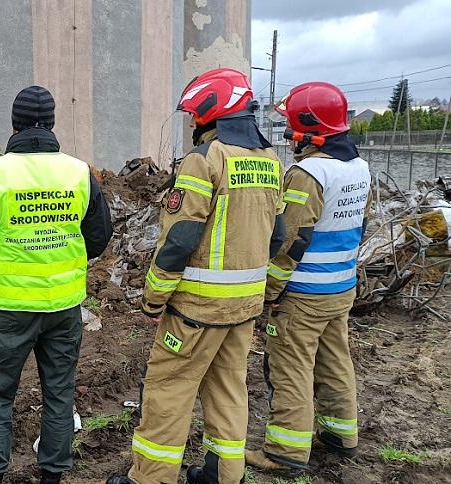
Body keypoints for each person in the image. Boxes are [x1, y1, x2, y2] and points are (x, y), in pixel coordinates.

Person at [108, 68, 285, 484]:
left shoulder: (205, 160)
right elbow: (277, 236)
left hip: (196, 310)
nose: (191, 123)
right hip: (244, 307)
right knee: (228, 391)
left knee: (168, 392)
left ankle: (150, 478)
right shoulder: (271, 161)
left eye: (193, 115)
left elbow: (178, 240)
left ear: (210, 112)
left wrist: (154, 298)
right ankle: (224, 475)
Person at [0, 85, 113, 484]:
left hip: (10, 308)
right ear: (53, 123)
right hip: (63, 307)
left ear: (14, 124)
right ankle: (52, 476)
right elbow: (99, 237)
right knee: (59, 393)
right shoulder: (78, 173)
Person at [245, 82, 371, 471]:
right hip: (340, 288)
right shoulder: (359, 167)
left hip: (303, 293)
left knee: (291, 366)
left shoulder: (308, 173)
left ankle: (284, 452)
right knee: (335, 360)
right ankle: (340, 434)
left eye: (291, 125)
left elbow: (291, 238)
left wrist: (269, 290)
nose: (288, 133)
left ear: (308, 126)